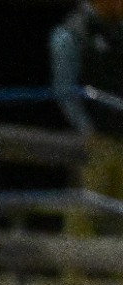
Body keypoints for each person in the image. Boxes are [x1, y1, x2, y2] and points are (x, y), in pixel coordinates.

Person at [52, 0, 123, 233]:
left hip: (120, 138)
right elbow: (65, 90)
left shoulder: (118, 30)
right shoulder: (72, 33)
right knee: (84, 219)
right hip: (94, 143)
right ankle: (75, 270)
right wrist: (86, 130)